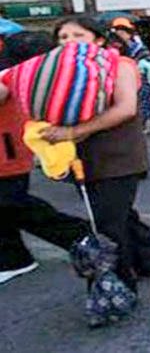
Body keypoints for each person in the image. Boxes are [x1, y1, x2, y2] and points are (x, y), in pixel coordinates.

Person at [41, 17, 150, 293]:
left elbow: (125, 108)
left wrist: (72, 131)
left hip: (118, 157)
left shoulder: (120, 64)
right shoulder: (64, 72)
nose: (69, 42)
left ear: (98, 40)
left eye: (78, 35)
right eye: (63, 37)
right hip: (81, 159)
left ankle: (117, 286)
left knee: (108, 223)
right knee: (122, 216)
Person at [0, 31, 89, 284]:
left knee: (14, 204)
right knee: (7, 207)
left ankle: (78, 234)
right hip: (8, 144)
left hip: (8, 147)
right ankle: (14, 259)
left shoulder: (9, 56)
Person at [111, 17, 150, 133]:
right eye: (118, 33)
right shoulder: (116, 48)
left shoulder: (138, 47)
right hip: (126, 80)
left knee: (144, 100)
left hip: (143, 78)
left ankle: (146, 122)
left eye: (122, 33)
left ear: (129, 34)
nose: (120, 36)